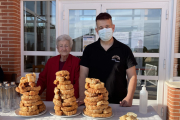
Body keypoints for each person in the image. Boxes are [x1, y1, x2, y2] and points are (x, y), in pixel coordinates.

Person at [78, 13, 137, 106]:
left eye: (107, 26)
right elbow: (83, 75)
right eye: (101, 27)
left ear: (113, 28)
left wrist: (129, 97)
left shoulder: (124, 49)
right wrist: (82, 96)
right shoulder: (89, 50)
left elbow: (132, 75)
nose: (104, 30)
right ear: (96, 30)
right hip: (94, 102)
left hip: (119, 103)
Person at [37, 34, 80, 101]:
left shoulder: (76, 62)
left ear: (70, 48)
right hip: (52, 100)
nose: (64, 49)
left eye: (66, 46)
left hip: (68, 101)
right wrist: (35, 93)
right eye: (61, 46)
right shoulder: (51, 61)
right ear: (57, 48)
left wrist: (70, 100)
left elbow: (78, 84)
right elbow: (43, 79)